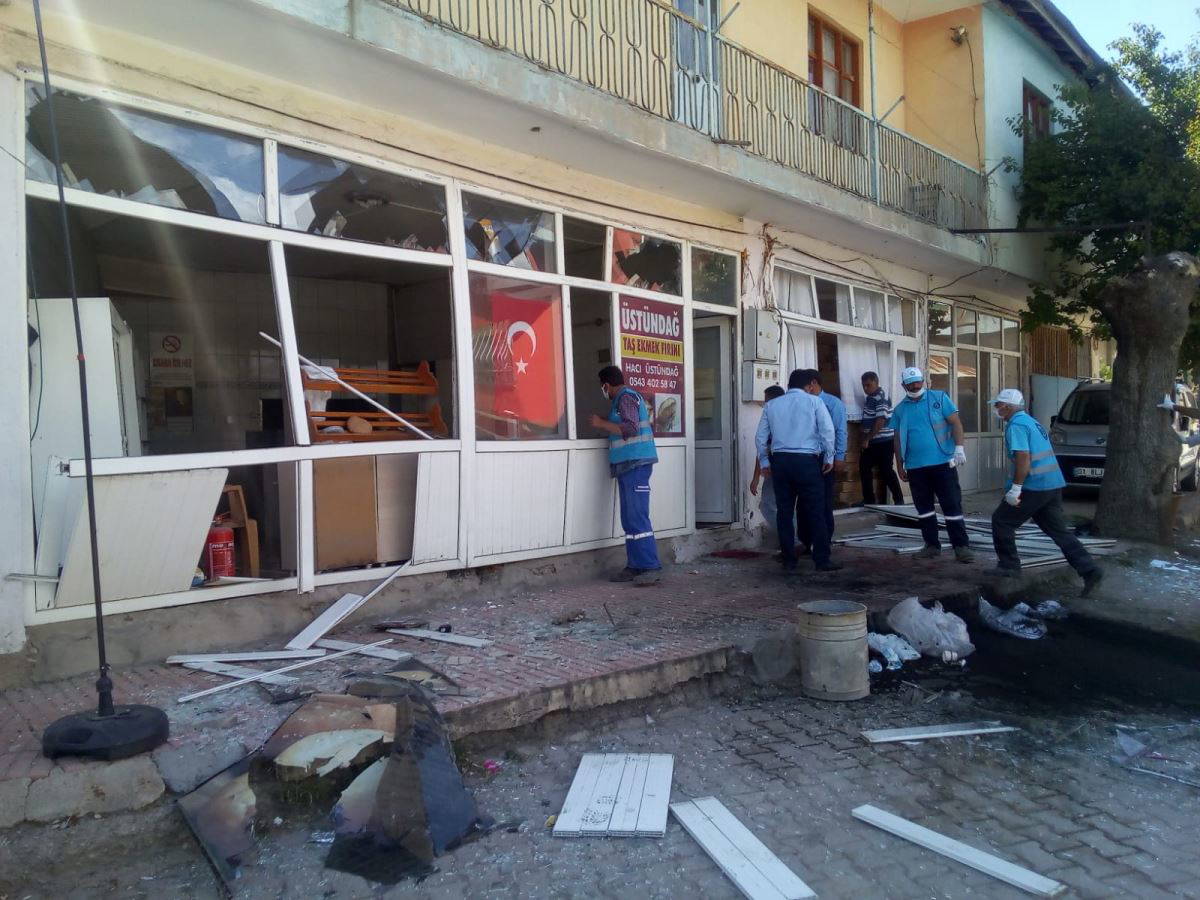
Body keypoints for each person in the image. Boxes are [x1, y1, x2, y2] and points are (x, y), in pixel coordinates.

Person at [987, 389, 1103, 595]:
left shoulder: (1017, 425)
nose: (996, 409)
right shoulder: (1031, 422)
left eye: (998, 405)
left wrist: (1016, 488)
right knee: (1058, 531)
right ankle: (1089, 570)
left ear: (1007, 406)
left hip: (1034, 485)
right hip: (1052, 484)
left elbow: (1023, 458)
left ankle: (1009, 567)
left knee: (1002, 521)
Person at [755, 369, 841, 573]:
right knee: (816, 511)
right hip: (807, 462)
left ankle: (789, 560)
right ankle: (821, 560)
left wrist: (765, 462)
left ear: (789, 385)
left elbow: (760, 437)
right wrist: (829, 457)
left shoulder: (772, 405)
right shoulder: (815, 402)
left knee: (784, 512)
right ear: (808, 386)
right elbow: (827, 431)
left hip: (781, 462)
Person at [889, 366, 975, 562]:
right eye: (910, 383)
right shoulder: (900, 409)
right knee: (924, 509)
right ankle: (931, 545)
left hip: (943, 462)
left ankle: (961, 547)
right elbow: (897, 439)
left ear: (923, 381)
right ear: (903, 385)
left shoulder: (939, 398)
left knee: (951, 505)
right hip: (915, 466)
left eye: (917, 382)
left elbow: (956, 422)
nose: (915, 386)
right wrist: (899, 464)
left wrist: (959, 448)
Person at [591, 366, 661, 586]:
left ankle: (649, 566)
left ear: (606, 385)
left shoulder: (625, 398)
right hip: (629, 466)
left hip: (635, 464)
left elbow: (631, 429)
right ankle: (635, 565)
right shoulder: (623, 399)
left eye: (603, 387)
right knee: (630, 518)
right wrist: (607, 422)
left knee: (637, 517)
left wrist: (601, 424)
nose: (604, 390)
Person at [795, 369, 845, 548]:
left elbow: (839, 431)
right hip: (805, 457)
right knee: (803, 501)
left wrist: (838, 456)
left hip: (825, 458)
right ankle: (805, 541)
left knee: (823, 500)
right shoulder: (801, 403)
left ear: (813, 383)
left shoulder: (833, 403)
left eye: (805, 386)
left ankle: (824, 541)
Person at [859, 371, 904, 505]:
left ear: (876, 382)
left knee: (886, 471)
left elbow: (880, 421)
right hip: (874, 441)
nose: (866, 388)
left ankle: (899, 500)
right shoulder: (871, 398)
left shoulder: (880, 397)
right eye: (864, 386)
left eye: (868, 385)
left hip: (884, 441)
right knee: (864, 468)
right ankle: (869, 500)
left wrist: (867, 438)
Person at [750, 386, 787, 541]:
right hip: (798, 465)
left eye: (766, 401)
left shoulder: (771, 416)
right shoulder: (792, 415)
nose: (765, 405)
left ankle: (791, 539)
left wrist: (756, 477)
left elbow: (762, 445)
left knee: (767, 505)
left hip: (776, 467)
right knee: (785, 505)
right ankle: (794, 539)